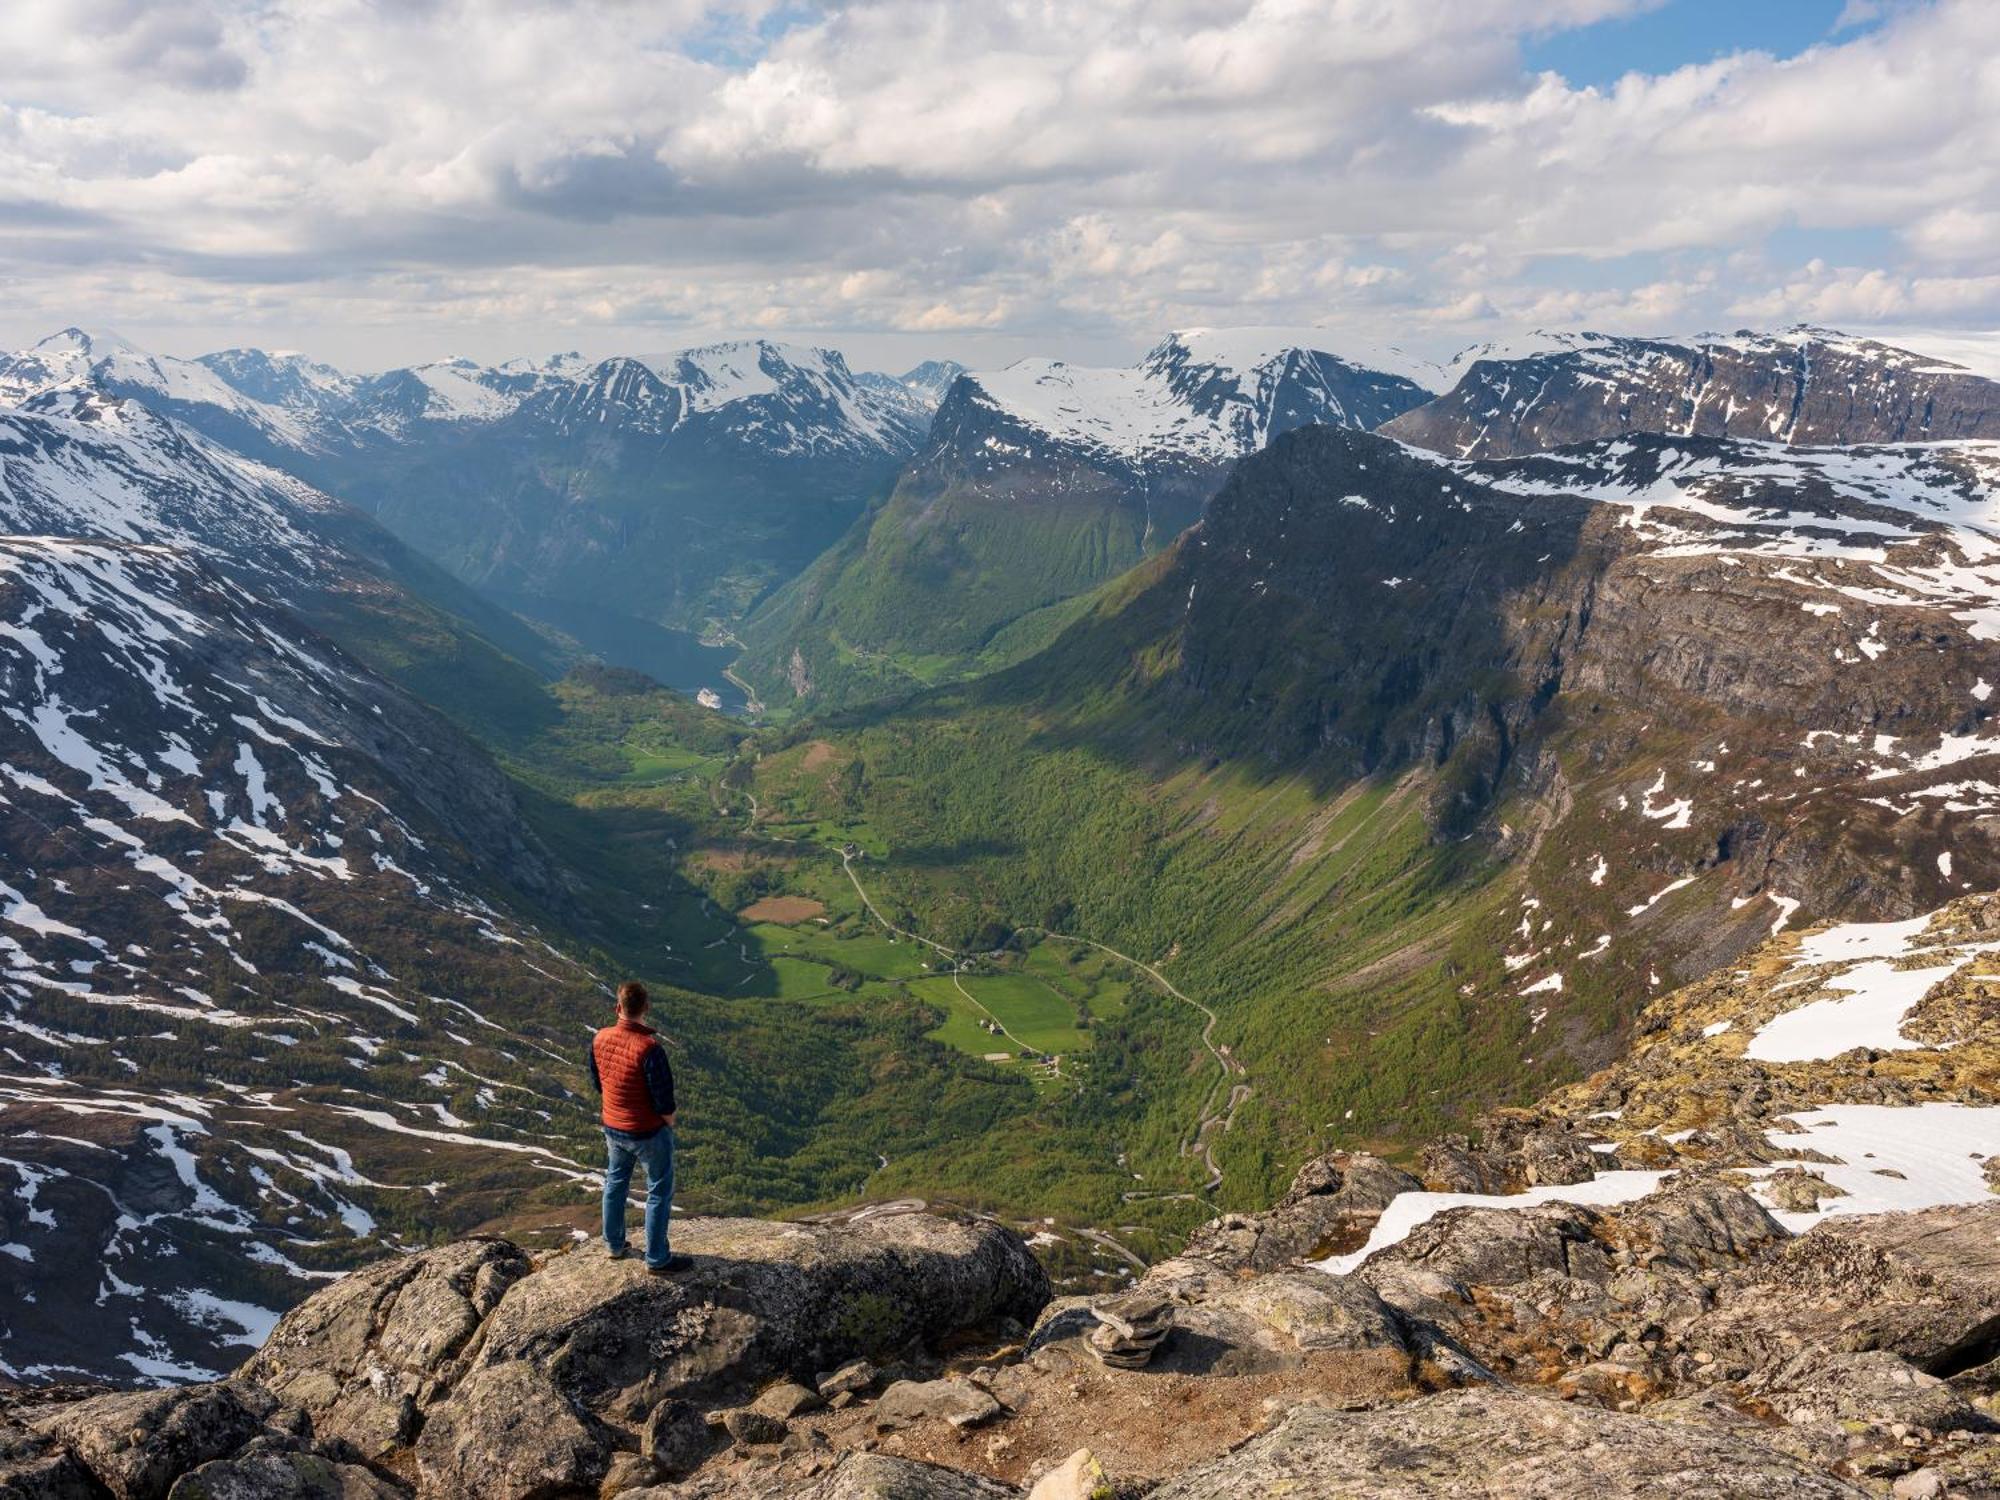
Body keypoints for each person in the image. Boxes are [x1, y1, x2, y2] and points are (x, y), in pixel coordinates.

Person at [587, 981, 689, 1273]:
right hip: (647, 1131)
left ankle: (614, 1245)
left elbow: (598, 1083)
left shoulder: (599, 1039)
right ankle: (657, 1258)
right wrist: (668, 1122)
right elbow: (663, 1097)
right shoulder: (650, 1048)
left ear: (618, 1007)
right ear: (646, 1008)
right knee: (658, 1190)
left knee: (615, 1182)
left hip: (613, 1127)